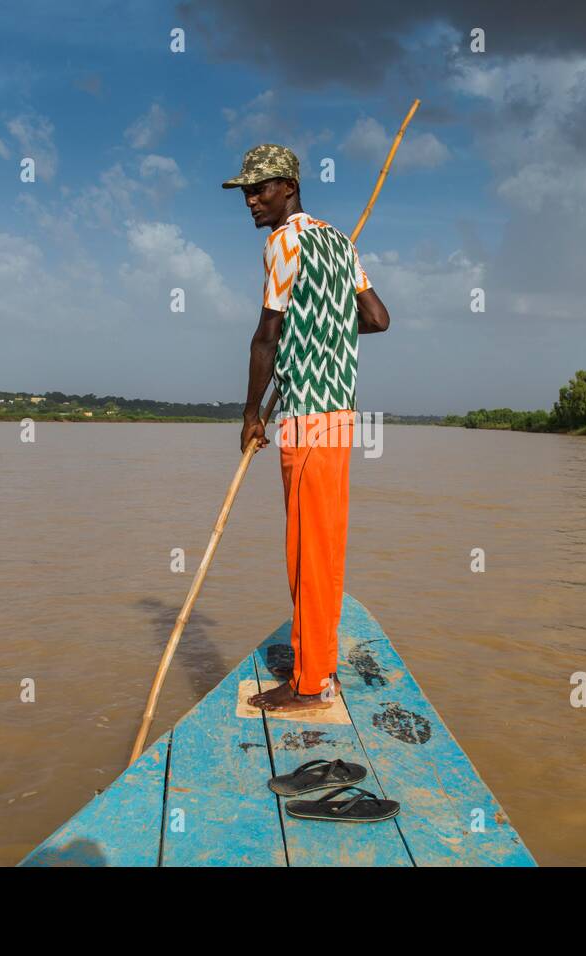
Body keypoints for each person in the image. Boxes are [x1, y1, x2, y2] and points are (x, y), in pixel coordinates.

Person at [221, 143, 391, 713]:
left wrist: (249, 415)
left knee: (305, 554)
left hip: (306, 419)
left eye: (260, 188)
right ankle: (317, 662)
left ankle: (312, 682)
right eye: (246, 190)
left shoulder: (284, 241)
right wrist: (324, 326)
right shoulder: (340, 242)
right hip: (340, 417)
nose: (250, 200)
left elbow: (265, 336)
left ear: (288, 187)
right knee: (323, 548)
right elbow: (376, 319)